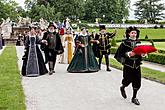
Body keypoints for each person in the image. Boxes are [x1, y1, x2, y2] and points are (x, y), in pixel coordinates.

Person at [114, 26, 142, 105]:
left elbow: (140, 53)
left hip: (137, 65)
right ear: (128, 34)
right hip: (128, 65)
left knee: (137, 81)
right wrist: (128, 54)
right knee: (127, 80)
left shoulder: (139, 43)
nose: (134, 34)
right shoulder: (124, 43)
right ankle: (123, 87)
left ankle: (134, 97)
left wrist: (142, 54)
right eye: (132, 33)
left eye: (135, 33)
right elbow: (119, 54)